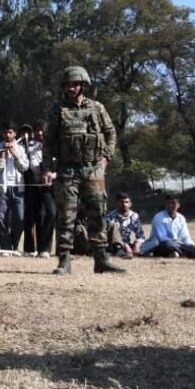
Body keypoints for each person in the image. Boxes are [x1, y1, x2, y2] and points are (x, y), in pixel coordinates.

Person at [42, 66, 124, 275]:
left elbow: (110, 133)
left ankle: (101, 260)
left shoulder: (97, 108)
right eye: (67, 85)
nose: (70, 88)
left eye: (75, 84)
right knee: (66, 216)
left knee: (98, 214)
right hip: (67, 169)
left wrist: (106, 157)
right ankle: (64, 261)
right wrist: (47, 168)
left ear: (83, 85)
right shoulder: (58, 110)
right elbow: (48, 142)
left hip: (93, 168)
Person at [0, 122, 27, 254]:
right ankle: (5, 248)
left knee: (19, 218)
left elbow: (24, 167)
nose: (8, 135)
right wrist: (3, 153)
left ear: (15, 134)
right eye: (6, 132)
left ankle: (14, 245)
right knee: (1, 218)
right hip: (2, 188)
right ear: (3, 134)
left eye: (10, 132)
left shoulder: (21, 148)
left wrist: (15, 154)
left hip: (18, 188)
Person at [23, 120, 56, 258]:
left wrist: (52, 175)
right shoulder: (29, 146)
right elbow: (29, 165)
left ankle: (46, 248)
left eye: (42, 130)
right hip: (35, 185)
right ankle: (36, 249)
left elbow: (61, 166)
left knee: (51, 213)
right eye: (37, 130)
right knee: (36, 217)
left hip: (51, 187)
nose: (40, 133)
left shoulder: (55, 146)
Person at [104, 192, 145, 258]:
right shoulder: (110, 217)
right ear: (117, 203)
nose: (124, 204)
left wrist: (137, 245)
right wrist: (125, 245)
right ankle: (120, 252)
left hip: (128, 244)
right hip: (114, 245)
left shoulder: (134, 216)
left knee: (147, 246)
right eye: (122, 202)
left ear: (130, 204)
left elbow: (140, 236)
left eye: (126, 202)